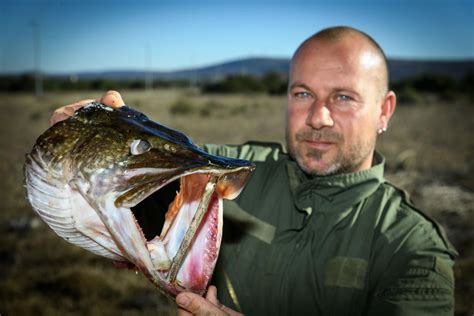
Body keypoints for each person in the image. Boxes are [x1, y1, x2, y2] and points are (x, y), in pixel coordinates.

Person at [51, 26, 457, 315]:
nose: (318, 117)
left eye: (344, 97)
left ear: (384, 110)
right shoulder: (228, 170)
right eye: (303, 93)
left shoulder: (414, 250)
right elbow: (165, 158)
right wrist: (93, 131)